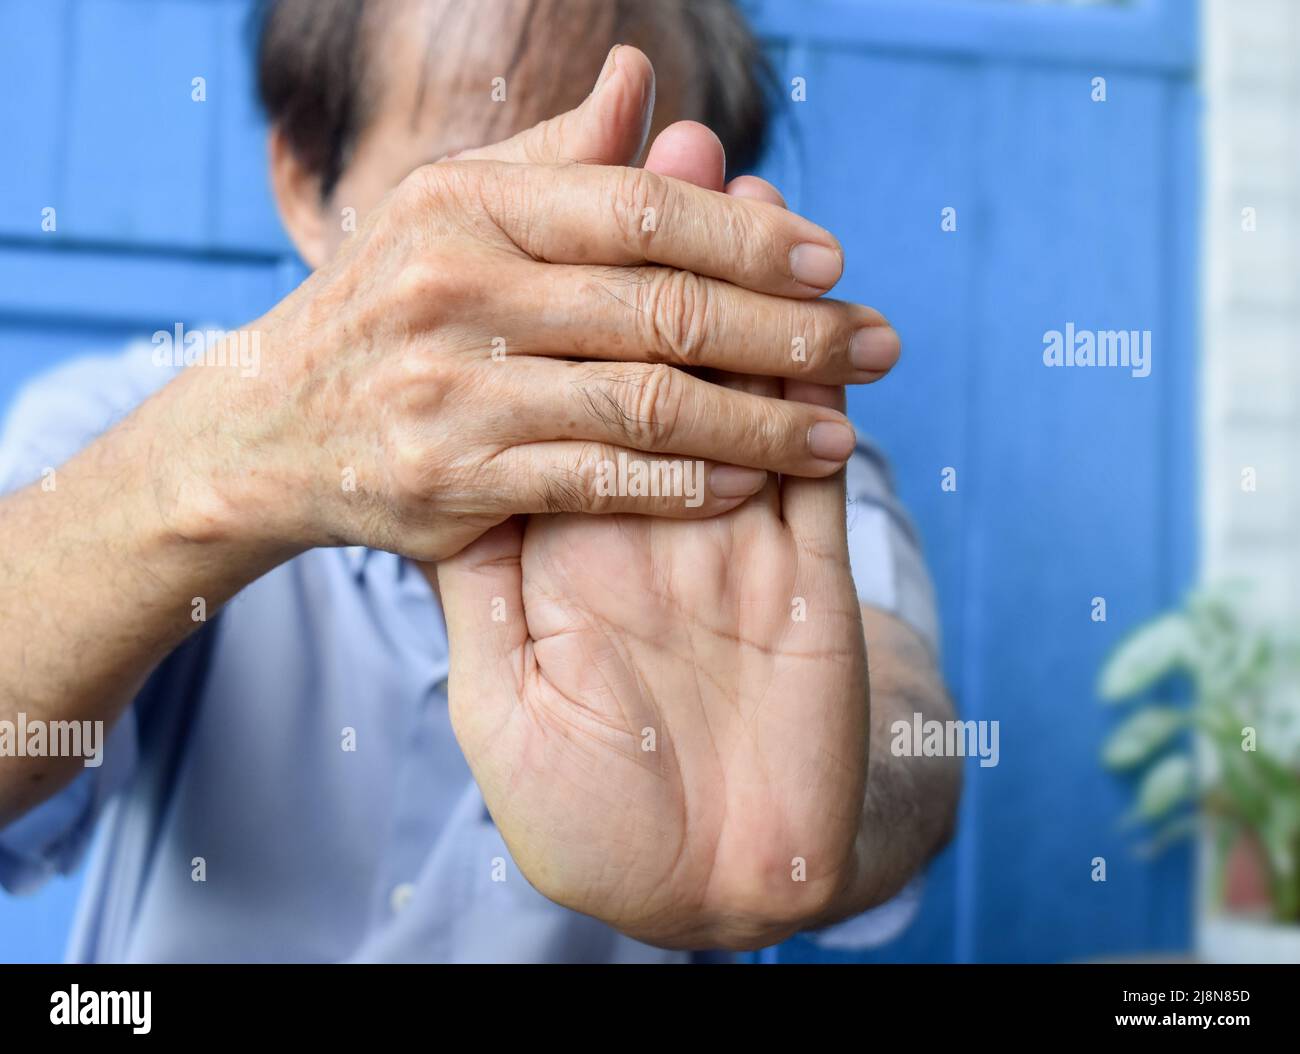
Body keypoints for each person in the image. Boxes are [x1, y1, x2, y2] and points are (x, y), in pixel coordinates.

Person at [0, 0, 959, 962]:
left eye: (616, 206)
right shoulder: (128, 425)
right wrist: (218, 476)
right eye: (469, 205)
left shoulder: (771, 464)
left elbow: (906, 719)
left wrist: (821, 815)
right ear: (304, 183)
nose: (547, 279)